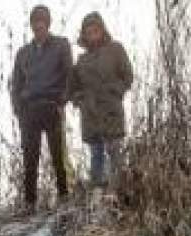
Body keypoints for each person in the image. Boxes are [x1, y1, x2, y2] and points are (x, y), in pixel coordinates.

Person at [9, 6, 73, 211]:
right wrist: (18, 109)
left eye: (42, 21)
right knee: (30, 157)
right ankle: (30, 203)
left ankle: (64, 197)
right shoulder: (23, 53)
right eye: (35, 21)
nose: (39, 25)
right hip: (30, 109)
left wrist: (62, 100)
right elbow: (16, 84)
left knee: (58, 155)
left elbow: (69, 74)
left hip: (52, 105)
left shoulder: (61, 45)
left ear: (48, 23)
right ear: (31, 25)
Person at [68, 12, 134, 191]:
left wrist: (116, 91)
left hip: (111, 110)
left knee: (115, 152)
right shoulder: (81, 60)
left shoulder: (115, 49)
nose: (92, 35)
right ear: (84, 35)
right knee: (96, 155)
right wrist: (80, 100)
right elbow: (72, 88)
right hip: (90, 114)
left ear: (102, 30)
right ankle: (97, 195)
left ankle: (120, 192)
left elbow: (127, 76)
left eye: (95, 30)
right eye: (88, 32)